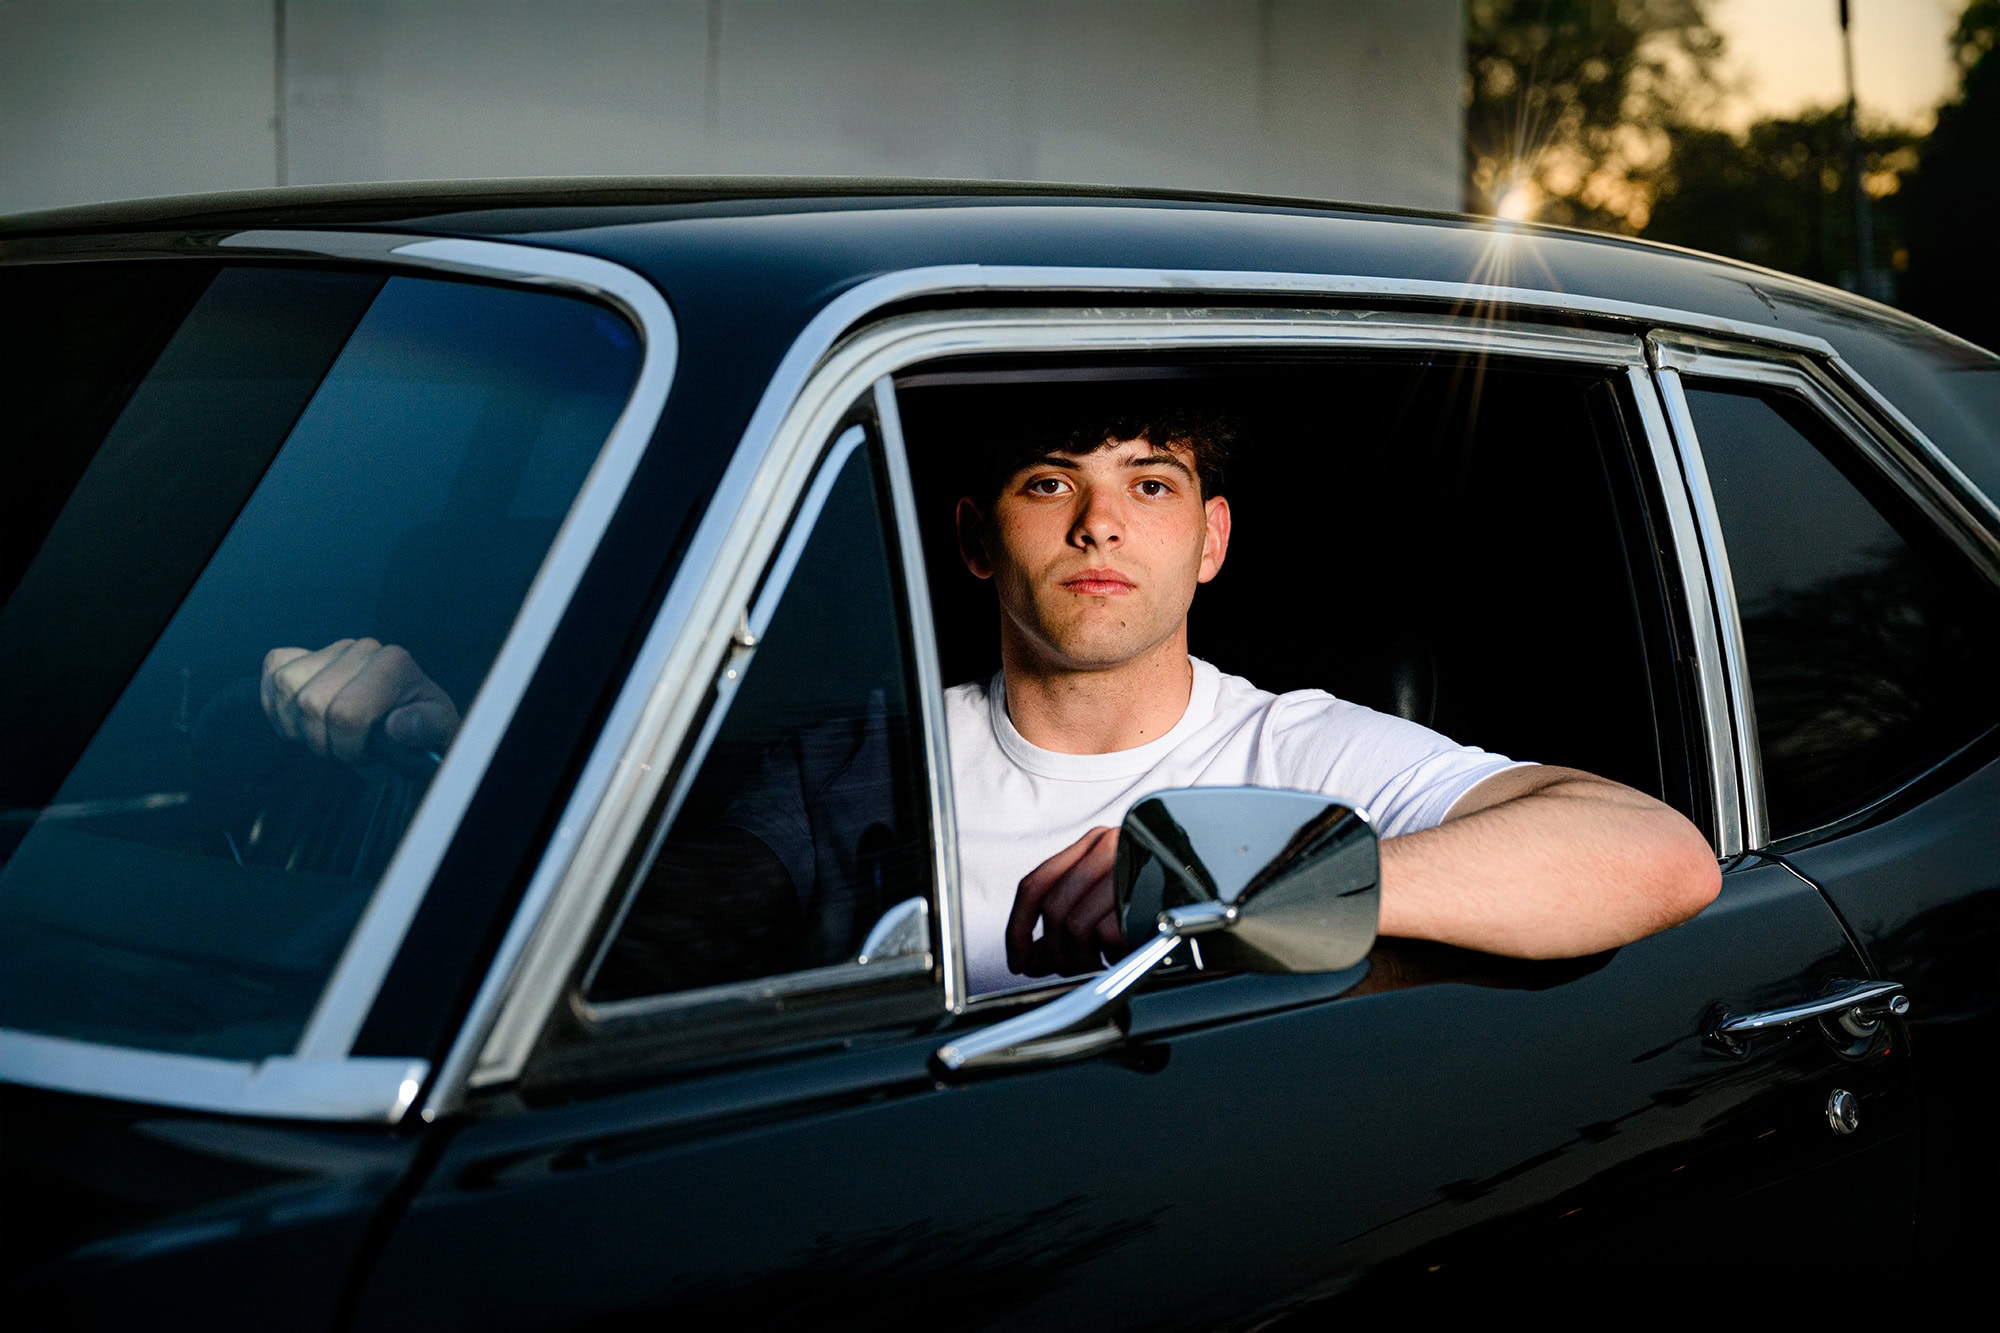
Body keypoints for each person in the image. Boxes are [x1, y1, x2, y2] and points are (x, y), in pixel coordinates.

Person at [257, 399, 1721, 996]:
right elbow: (640, 938)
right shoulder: (860, 768)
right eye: (1051, 486)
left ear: (1208, 540)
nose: (1100, 525)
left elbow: (1653, 855)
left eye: (1150, 485)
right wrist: (442, 743)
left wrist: (1244, 868)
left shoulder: (1295, 742)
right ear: (976, 540)